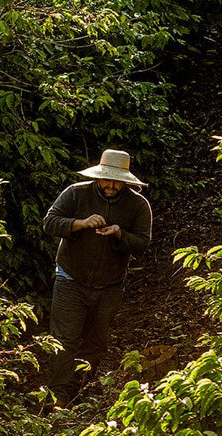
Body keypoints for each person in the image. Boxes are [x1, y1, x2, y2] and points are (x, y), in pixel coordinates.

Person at [43, 149, 152, 403]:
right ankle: (57, 397)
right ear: (98, 176)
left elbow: (143, 243)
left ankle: (78, 392)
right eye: (107, 179)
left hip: (110, 285)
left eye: (117, 181)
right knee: (64, 341)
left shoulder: (138, 205)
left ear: (126, 181)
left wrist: (119, 234)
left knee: (95, 344)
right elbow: (50, 222)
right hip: (70, 278)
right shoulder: (76, 193)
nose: (111, 185)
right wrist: (79, 223)